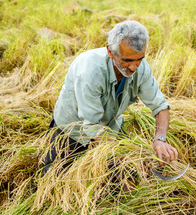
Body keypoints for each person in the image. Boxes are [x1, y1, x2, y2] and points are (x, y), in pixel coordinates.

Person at [43, 21, 178, 174]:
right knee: (57, 178)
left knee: (123, 179)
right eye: (127, 60)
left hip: (110, 125)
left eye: (139, 59)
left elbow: (160, 107)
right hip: (73, 127)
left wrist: (160, 140)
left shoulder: (142, 69)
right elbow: (92, 125)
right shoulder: (90, 71)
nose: (133, 67)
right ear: (110, 51)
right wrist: (126, 157)